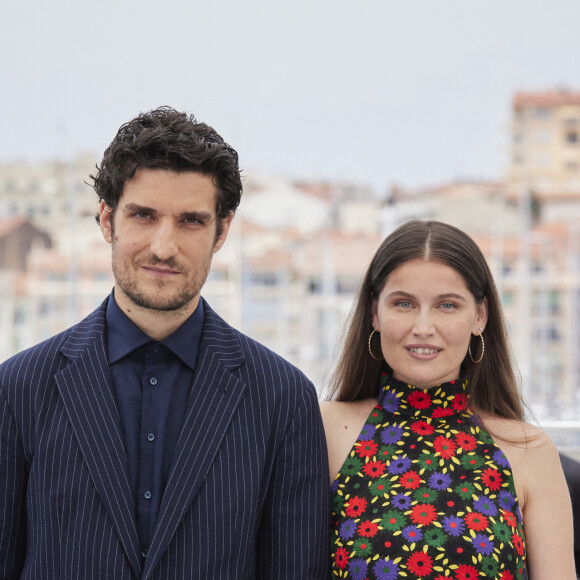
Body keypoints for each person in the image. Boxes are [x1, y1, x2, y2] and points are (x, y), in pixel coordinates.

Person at [0, 106, 330, 579]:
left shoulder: (284, 398)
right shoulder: (18, 390)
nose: (163, 246)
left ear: (222, 231)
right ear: (107, 220)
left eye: (191, 221)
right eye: (144, 215)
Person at [321, 220, 575, 579]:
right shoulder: (324, 430)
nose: (423, 327)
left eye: (447, 306)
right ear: (375, 313)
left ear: (480, 316)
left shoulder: (530, 451)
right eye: (404, 303)